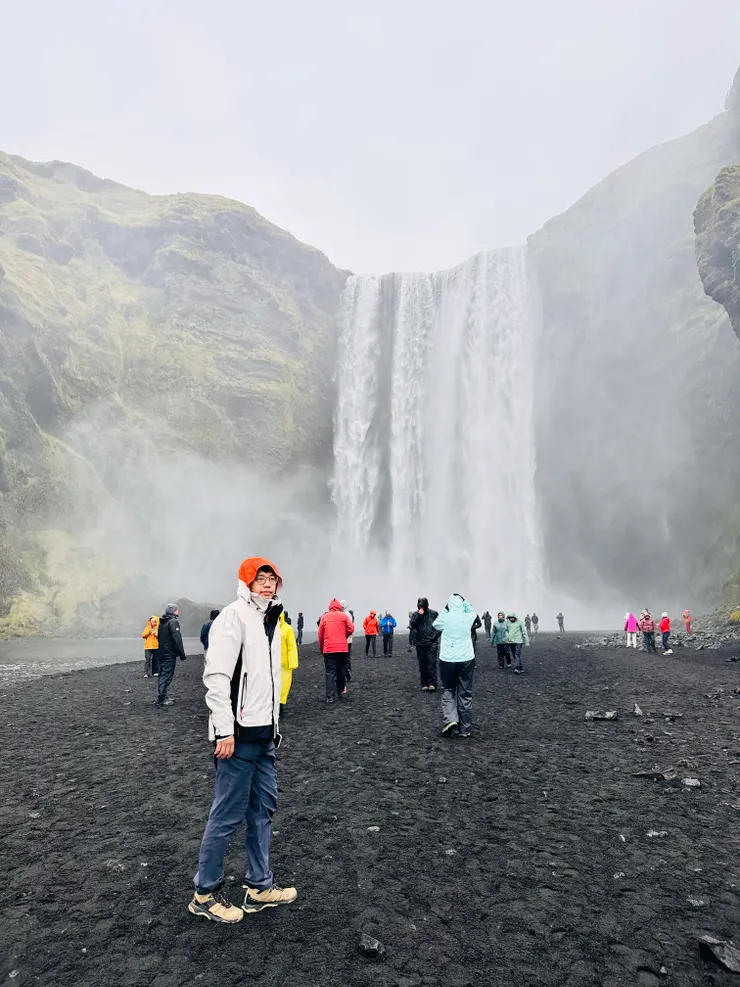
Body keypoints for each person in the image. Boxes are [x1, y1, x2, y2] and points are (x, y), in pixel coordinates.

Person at [189, 557, 297, 924]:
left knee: (263, 810)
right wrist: (223, 730)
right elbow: (216, 676)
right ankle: (204, 893)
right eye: (260, 579)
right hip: (237, 737)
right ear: (246, 583)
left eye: (272, 579)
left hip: (265, 735)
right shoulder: (233, 617)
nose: (267, 584)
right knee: (226, 814)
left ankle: (258, 886)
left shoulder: (271, 620)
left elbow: (267, 680)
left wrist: (275, 727)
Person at [433, 594, 477, 737]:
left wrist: (446, 609)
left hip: (447, 659)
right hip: (466, 659)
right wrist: (465, 602)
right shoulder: (467, 617)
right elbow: (473, 612)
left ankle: (451, 719)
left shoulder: (445, 617)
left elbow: (435, 624)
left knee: (448, 689)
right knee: (465, 693)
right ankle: (465, 729)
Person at [318, 599, 354, 703]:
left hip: (328, 649)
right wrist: (344, 636)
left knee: (330, 672)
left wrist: (322, 647)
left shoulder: (325, 617)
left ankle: (330, 696)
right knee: (341, 670)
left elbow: (320, 634)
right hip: (342, 648)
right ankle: (340, 691)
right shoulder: (343, 616)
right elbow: (351, 628)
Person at [156, 605, 187, 706]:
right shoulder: (173, 622)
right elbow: (177, 639)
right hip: (169, 653)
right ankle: (161, 698)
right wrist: (182, 654)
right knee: (167, 675)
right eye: (176, 609)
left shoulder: (162, 622)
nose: (178, 611)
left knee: (162, 674)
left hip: (161, 653)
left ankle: (162, 695)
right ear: (173, 611)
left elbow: (158, 637)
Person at [409, 597, 439, 691]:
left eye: (423, 605)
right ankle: (424, 683)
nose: (421, 607)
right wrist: (419, 615)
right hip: (420, 642)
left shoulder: (434, 614)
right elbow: (412, 625)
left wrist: (435, 636)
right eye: (419, 605)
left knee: (431, 663)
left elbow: (440, 626)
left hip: (432, 642)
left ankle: (432, 683)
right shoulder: (415, 614)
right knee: (422, 664)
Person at [279, 610, 299, 712]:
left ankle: (280, 706)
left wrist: (293, 662)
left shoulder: (287, 629)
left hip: (284, 664)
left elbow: (292, 646)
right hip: (269, 663)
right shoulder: (267, 627)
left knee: (283, 686)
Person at [340, 600, 354, 681]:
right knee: (346, 656)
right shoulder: (348, 614)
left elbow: (348, 628)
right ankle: (347, 671)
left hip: (345, 639)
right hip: (348, 639)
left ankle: (347, 671)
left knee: (345, 656)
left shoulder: (345, 614)